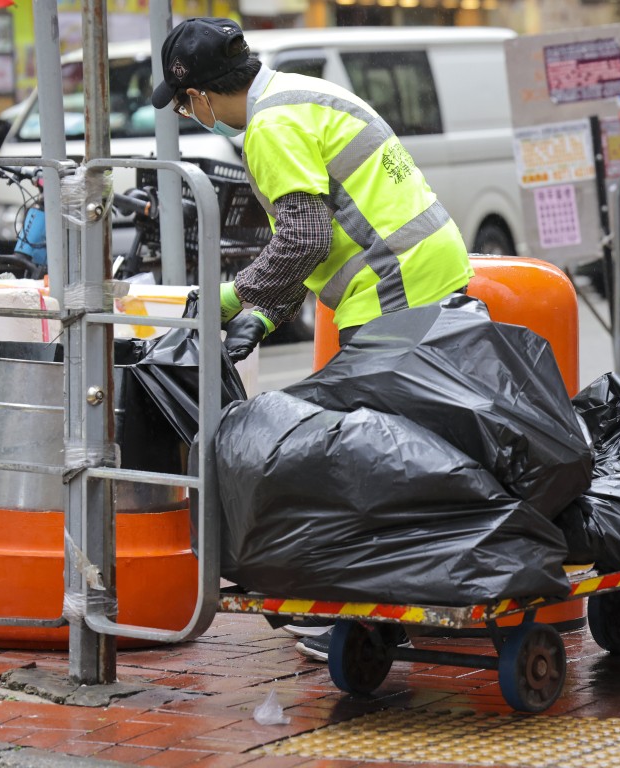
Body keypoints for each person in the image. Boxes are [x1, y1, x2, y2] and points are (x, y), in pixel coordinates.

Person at [152, 17, 474, 661]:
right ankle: (399, 601)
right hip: (425, 269)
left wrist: (228, 296)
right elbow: (323, 233)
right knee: (412, 445)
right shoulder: (297, 95)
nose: (191, 115)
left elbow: (303, 238)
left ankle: (363, 616)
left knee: (372, 453)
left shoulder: (270, 128)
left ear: (206, 94)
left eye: (187, 103)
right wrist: (268, 317)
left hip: (393, 286)